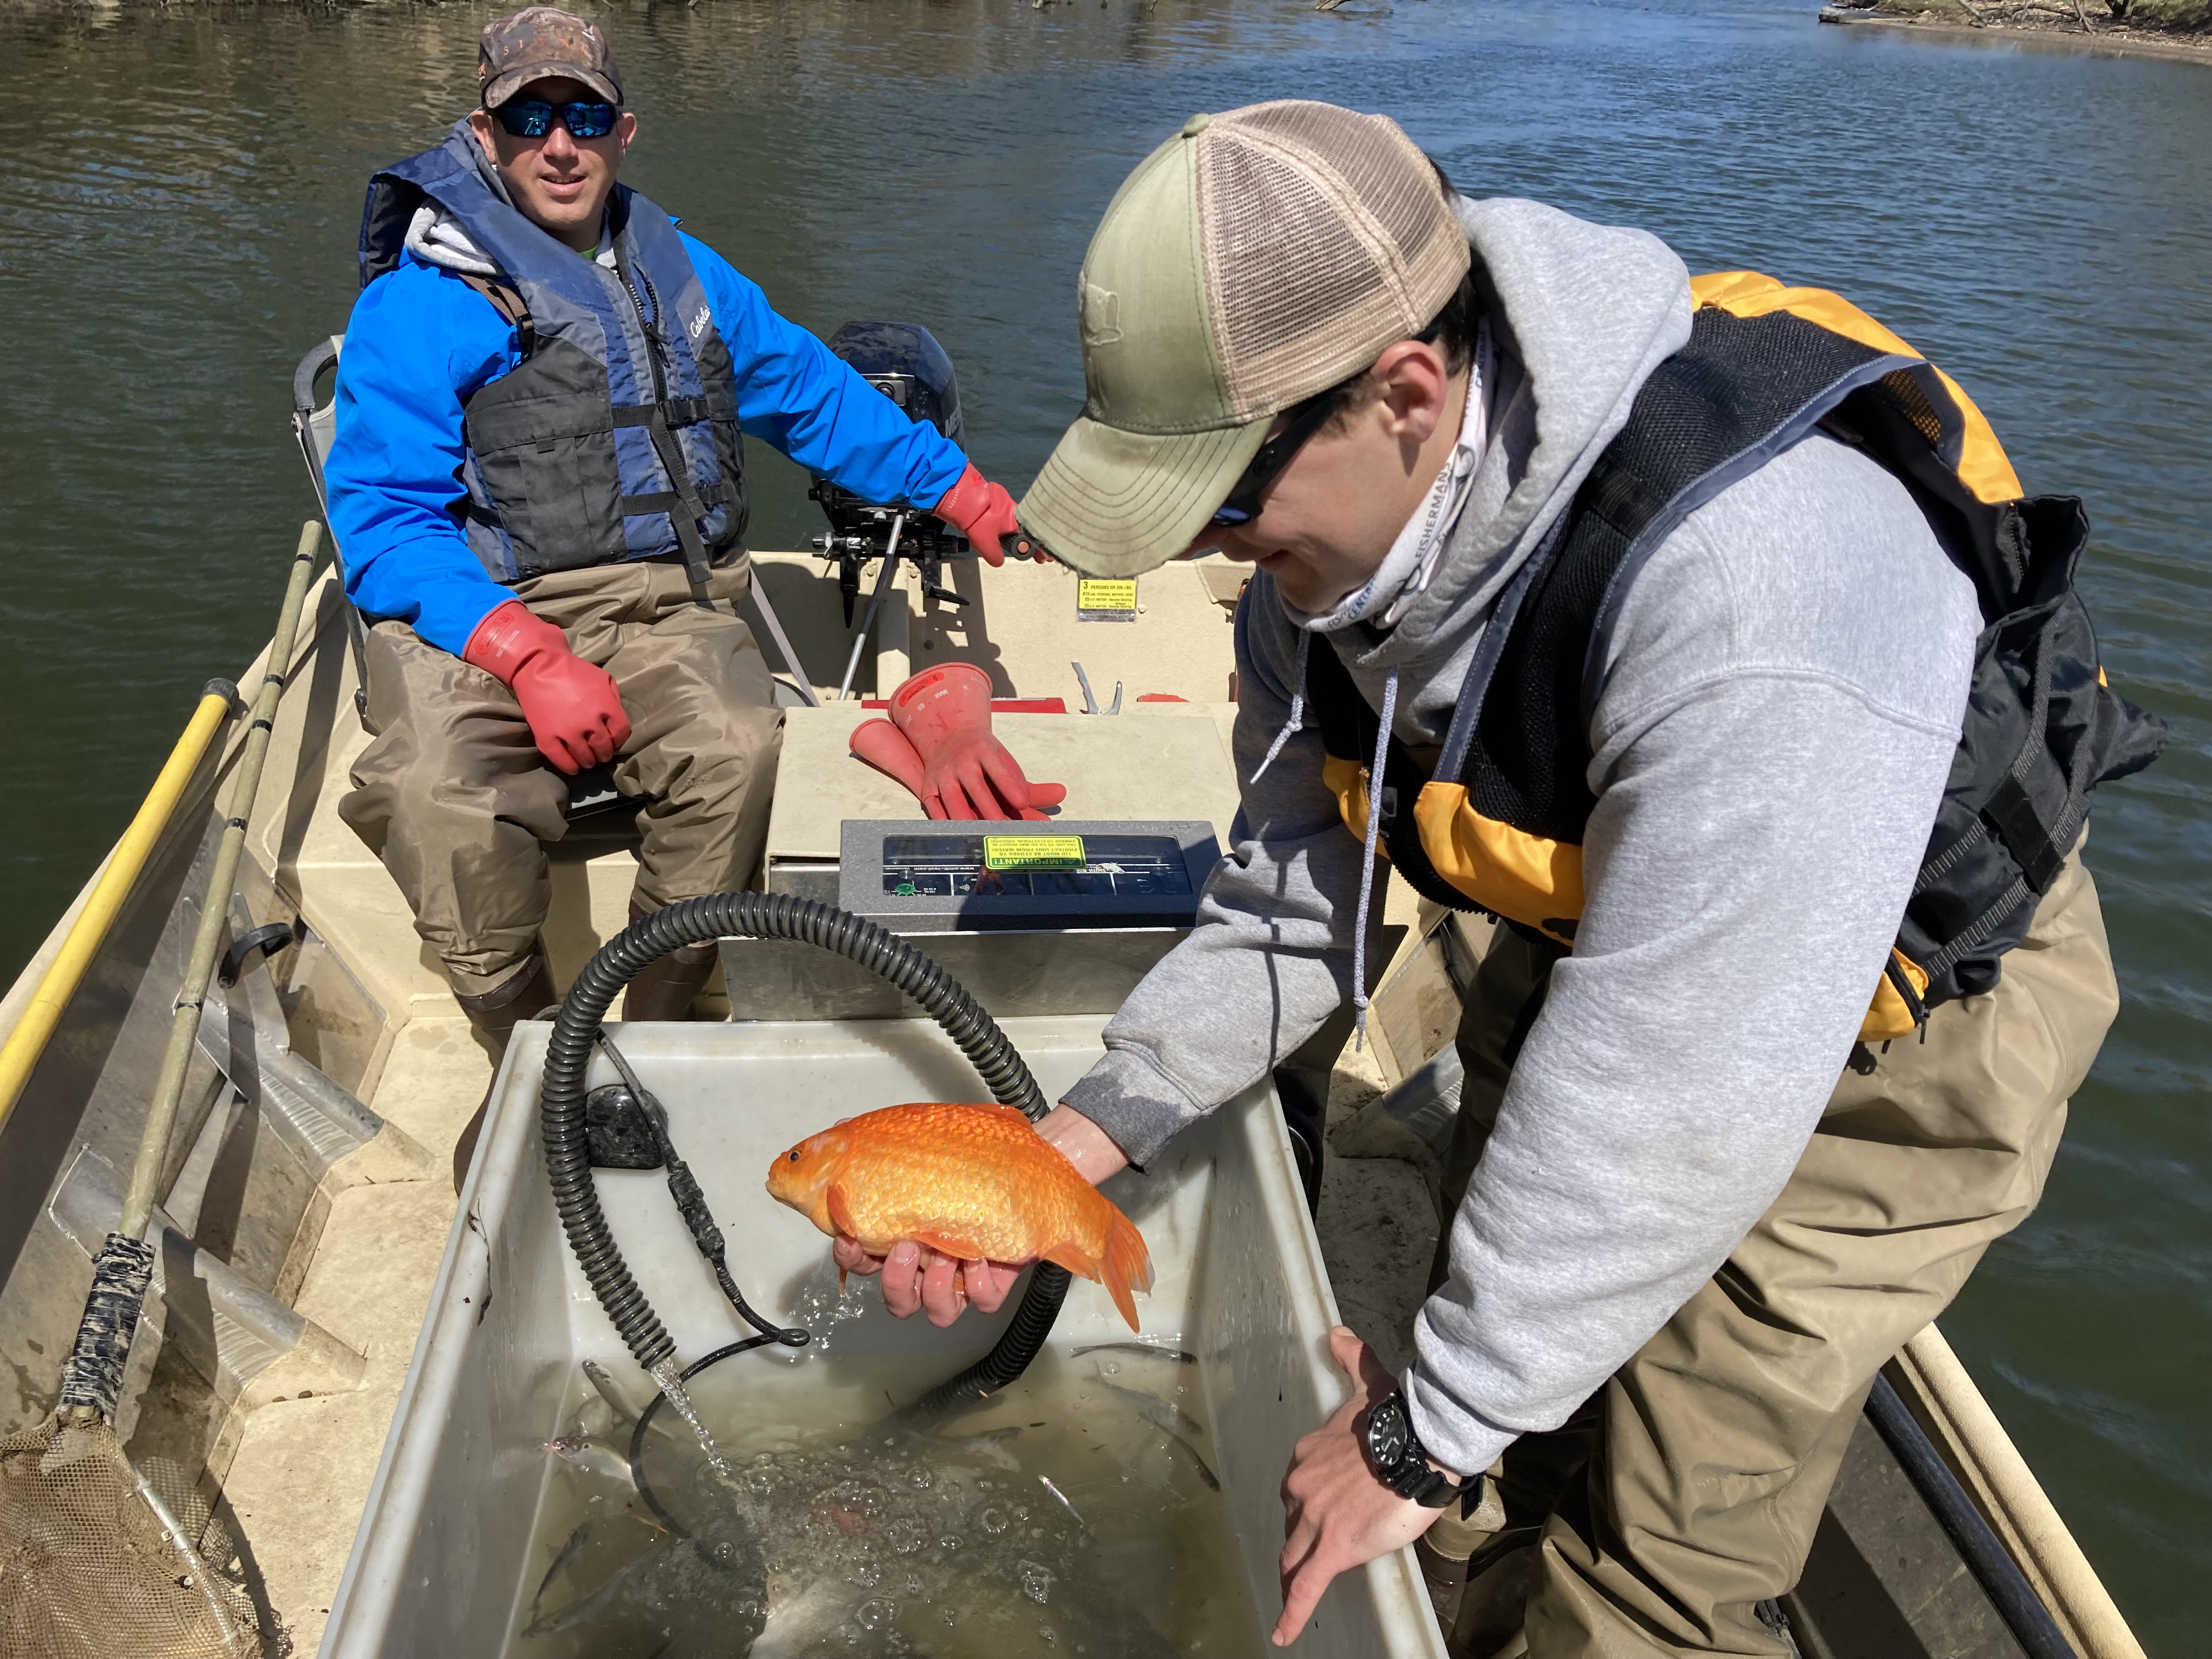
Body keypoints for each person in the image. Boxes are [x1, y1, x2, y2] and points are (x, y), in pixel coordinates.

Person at [837, 101, 2163, 1655]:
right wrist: (1074, 1146)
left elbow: (1681, 1094)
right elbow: (1289, 905)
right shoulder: (1321, 582)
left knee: (1660, 1523)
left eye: (1224, 496)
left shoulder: (1759, 601)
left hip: (1888, 1028)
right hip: (1608, 920)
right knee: (1509, 1372)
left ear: (1403, 393)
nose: (1202, 543)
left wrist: (1421, 1432)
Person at [324, 8, 1026, 1186]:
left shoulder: (681, 268)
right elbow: (386, 530)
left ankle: (640, 1047)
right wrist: (527, 656)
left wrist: (954, 486)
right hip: (475, 607)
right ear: (487, 134)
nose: (560, 143)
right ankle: (532, 1057)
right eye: (530, 118)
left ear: (623, 130)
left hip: (662, 603)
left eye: (583, 116)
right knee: (434, 794)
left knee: (738, 744)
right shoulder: (423, 298)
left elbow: (810, 392)